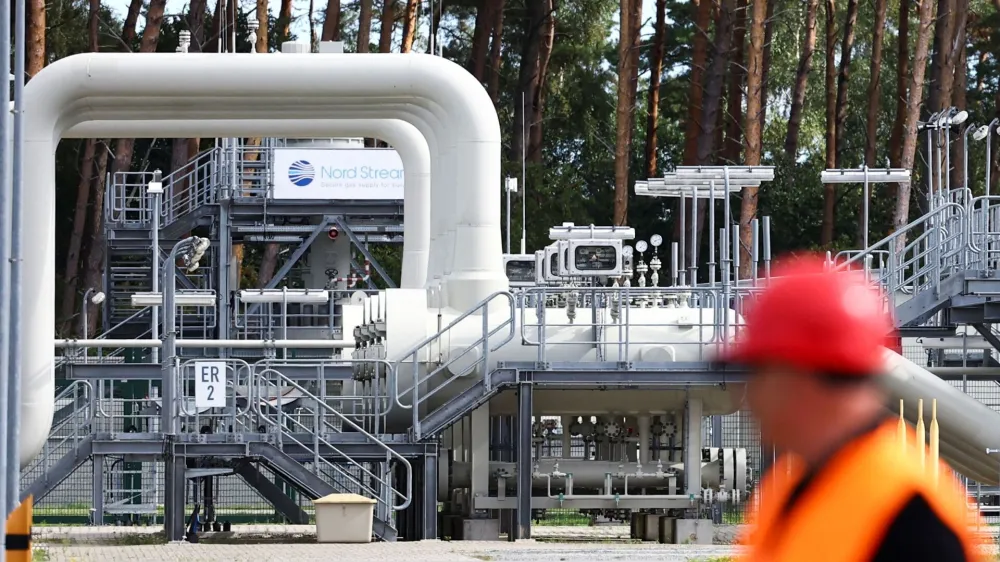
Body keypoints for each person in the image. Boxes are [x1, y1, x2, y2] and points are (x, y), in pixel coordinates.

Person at [719, 254, 984, 562]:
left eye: (757, 373)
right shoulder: (791, 488)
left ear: (798, 377)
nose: (750, 397)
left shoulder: (913, 517)